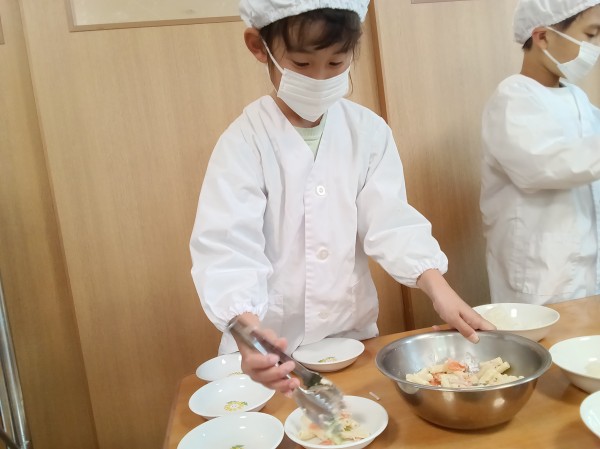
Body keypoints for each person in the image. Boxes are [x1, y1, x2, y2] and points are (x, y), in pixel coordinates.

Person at [191, 0, 493, 394]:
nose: (320, 78)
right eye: (302, 63)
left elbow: (391, 222)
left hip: (349, 342)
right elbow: (228, 251)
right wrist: (250, 335)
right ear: (258, 47)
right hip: (265, 354)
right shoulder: (245, 142)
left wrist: (439, 290)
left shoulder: (367, 131)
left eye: (336, 63)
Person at [481, 0, 600, 305]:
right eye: (590, 35)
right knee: (547, 334)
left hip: (586, 271)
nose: (595, 47)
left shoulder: (577, 98)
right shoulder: (512, 98)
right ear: (543, 37)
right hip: (540, 276)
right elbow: (543, 166)